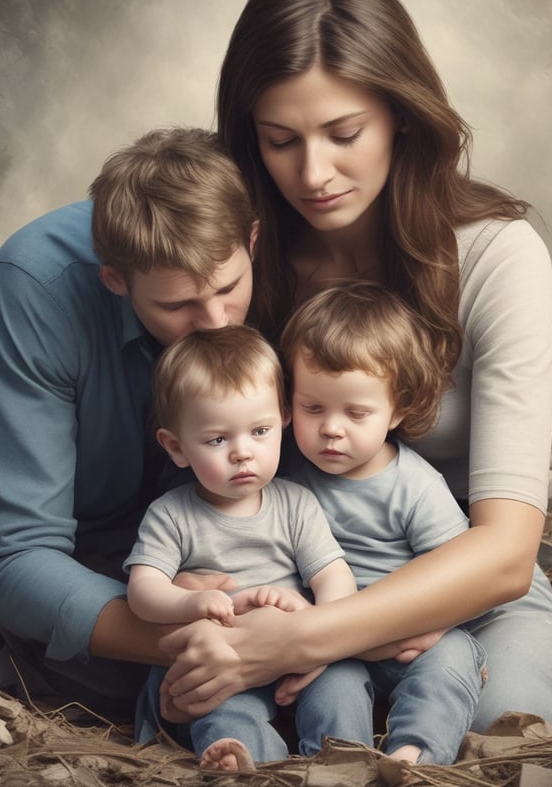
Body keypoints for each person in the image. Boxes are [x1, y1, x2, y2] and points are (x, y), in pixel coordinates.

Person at [159, 0, 552, 732]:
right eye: (280, 140)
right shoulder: (241, 254)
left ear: (403, 115)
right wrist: (216, 594)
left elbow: (507, 551)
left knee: (506, 723)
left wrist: (313, 636)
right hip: (275, 572)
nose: (313, 173)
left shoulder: (498, 254)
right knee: (229, 722)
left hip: (456, 581)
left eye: (344, 133)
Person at [0, 127, 259, 716]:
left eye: (230, 288)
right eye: (176, 306)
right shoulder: (32, 287)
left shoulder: (257, 242)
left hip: (203, 547)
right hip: (63, 563)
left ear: (254, 243)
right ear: (115, 279)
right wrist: (181, 637)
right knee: (181, 694)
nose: (217, 325)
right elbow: (16, 558)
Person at [126, 324, 373, 770]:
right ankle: (245, 761)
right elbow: (143, 591)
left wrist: (321, 632)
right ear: (176, 447)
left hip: (299, 648)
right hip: (225, 659)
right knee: (219, 707)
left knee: (344, 682)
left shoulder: (295, 503)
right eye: (218, 439)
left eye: (259, 431)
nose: (243, 452)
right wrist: (193, 602)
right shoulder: (171, 515)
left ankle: (345, 765)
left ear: (282, 417)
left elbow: (334, 575)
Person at [277, 280, 487, 765]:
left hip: (409, 635)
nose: (332, 427)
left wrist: (436, 626)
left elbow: (463, 575)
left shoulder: (413, 484)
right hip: (330, 643)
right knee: (331, 688)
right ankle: (339, 763)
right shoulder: (286, 478)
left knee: (451, 661)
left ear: (398, 409)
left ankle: (415, 755)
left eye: (356, 412)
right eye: (313, 408)